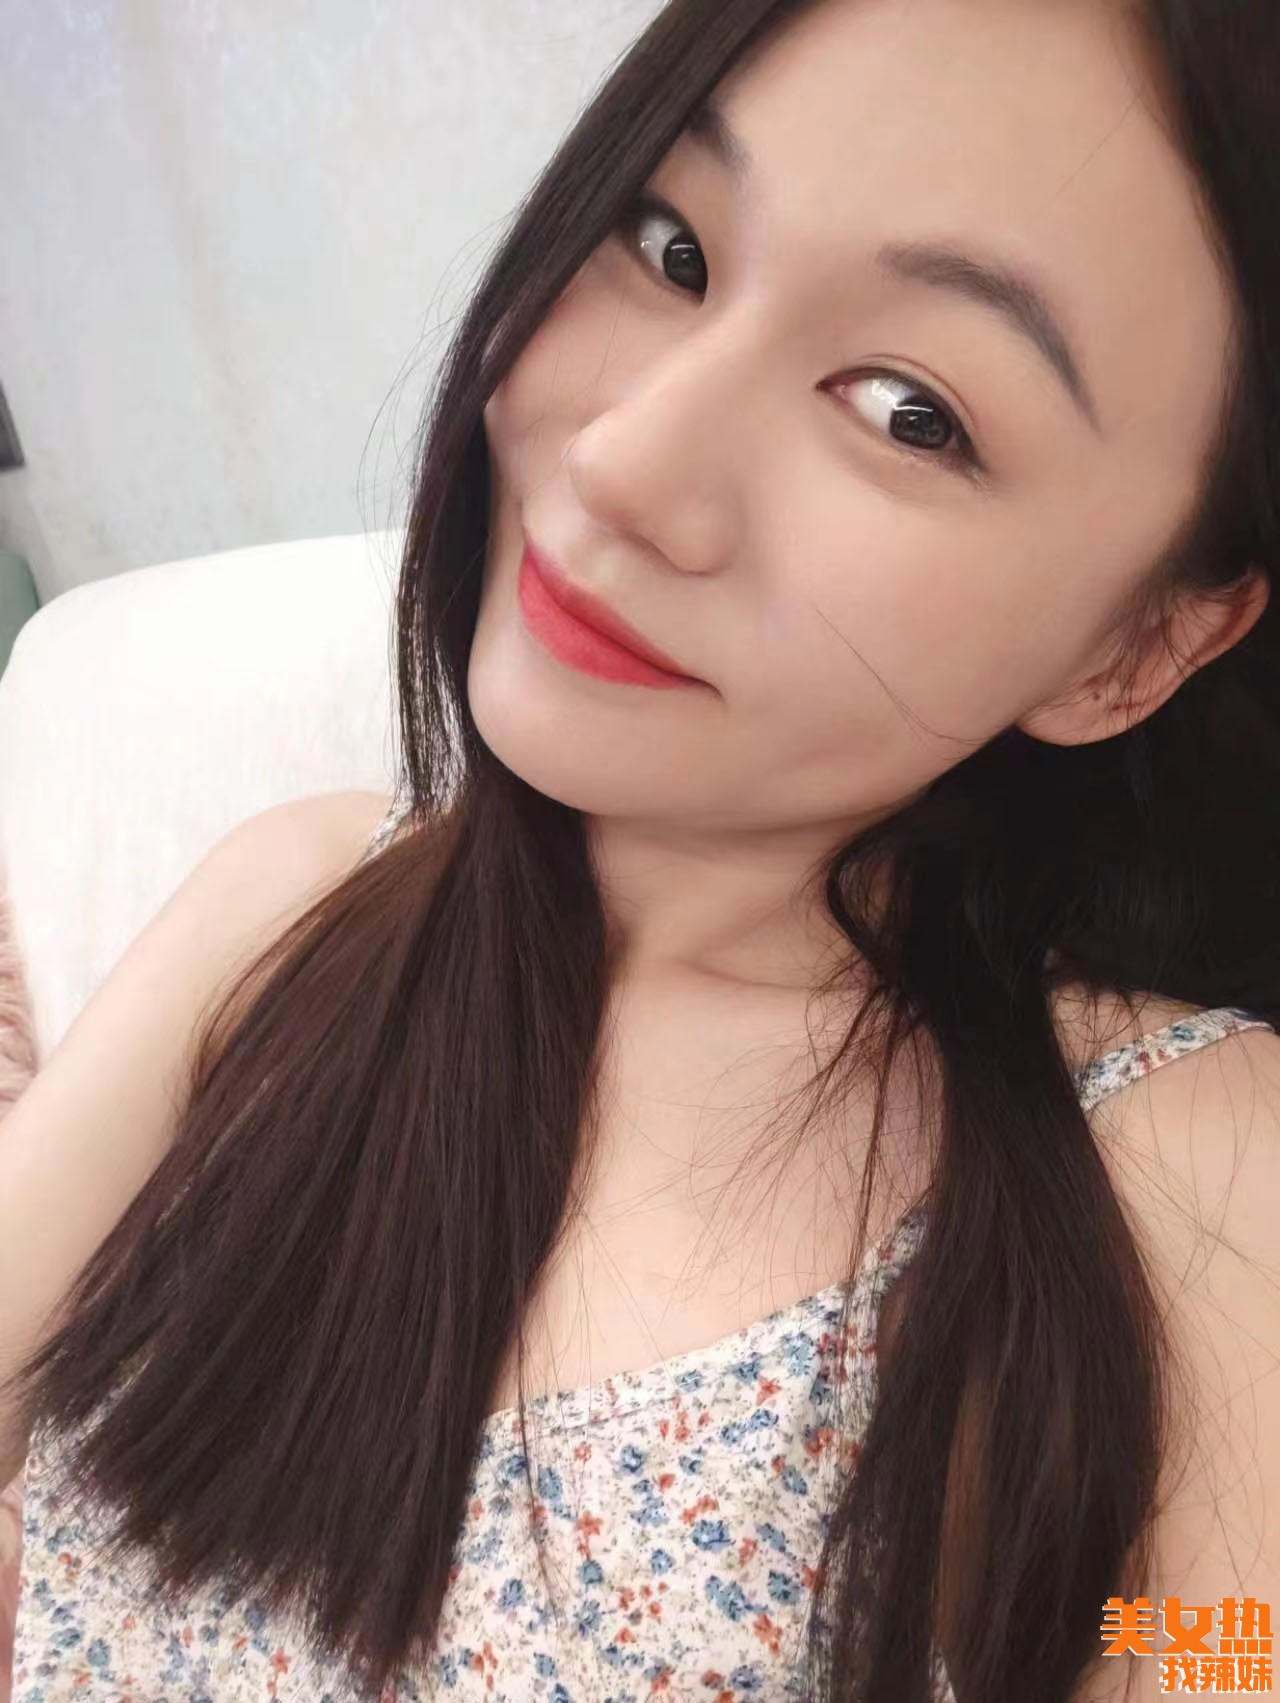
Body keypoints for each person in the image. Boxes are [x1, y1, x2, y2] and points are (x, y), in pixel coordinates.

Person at [3, 0, 1279, 1697]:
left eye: (910, 411)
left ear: (1139, 643)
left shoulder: (1187, 1177)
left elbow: (1215, 1652)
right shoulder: (290, 907)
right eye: (672, 246)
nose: (620, 464)